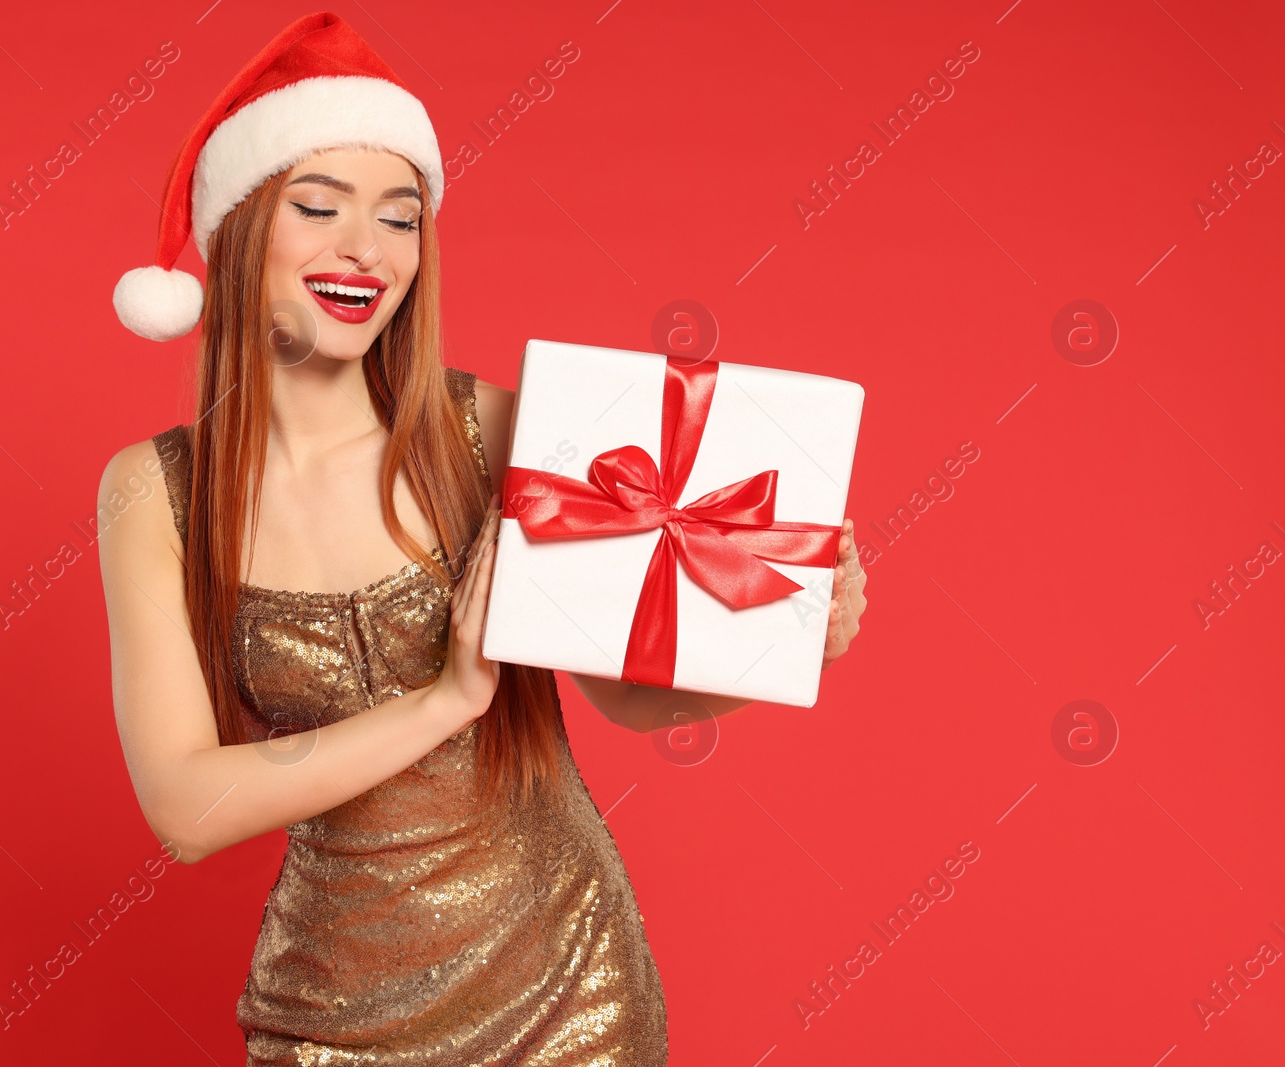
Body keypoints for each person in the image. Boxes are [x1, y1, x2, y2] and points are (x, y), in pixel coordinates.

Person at [96, 12, 867, 1063]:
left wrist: (780, 637)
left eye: (400, 217)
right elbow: (187, 804)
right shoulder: (153, 494)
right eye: (317, 206)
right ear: (234, 234)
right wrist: (448, 699)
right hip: (329, 1008)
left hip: (566, 985)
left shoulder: (496, 431)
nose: (365, 249)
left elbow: (630, 693)